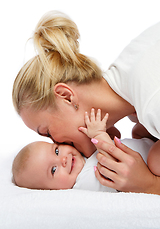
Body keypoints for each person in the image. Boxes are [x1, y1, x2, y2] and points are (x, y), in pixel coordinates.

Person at [12, 11, 160, 194]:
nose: (57, 142)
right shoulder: (134, 85)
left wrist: (149, 185)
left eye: (48, 133)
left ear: (66, 96)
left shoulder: (153, 102)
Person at [12, 109, 153, 192]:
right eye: (53, 170)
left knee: (137, 131)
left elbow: (117, 137)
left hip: (145, 145)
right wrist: (98, 134)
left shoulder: (83, 162)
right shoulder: (84, 183)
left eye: (56, 151)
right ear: (52, 191)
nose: (63, 159)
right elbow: (113, 163)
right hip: (150, 165)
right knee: (155, 158)